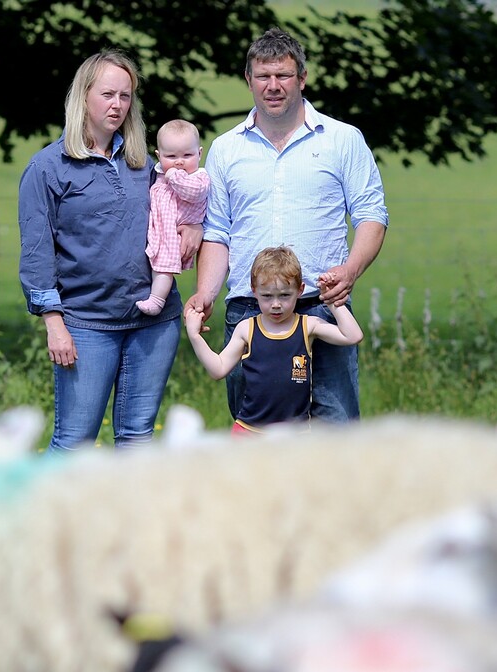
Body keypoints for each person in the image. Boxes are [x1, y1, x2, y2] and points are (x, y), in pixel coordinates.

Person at [184, 27, 388, 423]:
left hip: (323, 307)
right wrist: (206, 293)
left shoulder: (342, 139)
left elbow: (371, 214)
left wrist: (350, 271)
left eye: (283, 76)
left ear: (302, 78)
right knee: (257, 435)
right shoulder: (227, 149)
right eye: (263, 76)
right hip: (250, 309)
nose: (273, 86)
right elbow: (217, 231)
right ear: (249, 80)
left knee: (335, 432)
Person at [19, 51, 202, 452]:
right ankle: (41, 516)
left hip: (154, 323)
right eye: (107, 94)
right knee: (74, 442)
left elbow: (181, 206)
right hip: (85, 325)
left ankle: (125, 518)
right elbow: (36, 255)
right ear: (83, 97)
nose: (117, 105)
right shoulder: (48, 167)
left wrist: (194, 224)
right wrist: (54, 323)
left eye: (125, 95)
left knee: (137, 440)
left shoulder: (146, 164)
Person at [185, 245, 363, 435]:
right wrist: (195, 336)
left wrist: (331, 303)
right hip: (249, 432)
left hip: (297, 434)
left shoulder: (307, 325)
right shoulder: (247, 328)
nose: (276, 304)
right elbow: (218, 369)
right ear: (254, 291)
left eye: (285, 295)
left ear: (300, 290)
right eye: (267, 296)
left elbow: (352, 335)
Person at [137, 119, 210, 316]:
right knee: (158, 263)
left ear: (200, 153)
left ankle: (157, 301)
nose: (179, 161)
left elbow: (193, 193)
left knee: (164, 267)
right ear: (159, 156)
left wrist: (174, 177)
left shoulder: (198, 177)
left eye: (187, 155)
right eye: (171, 156)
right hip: (160, 228)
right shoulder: (158, 173)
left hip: (174, 233)